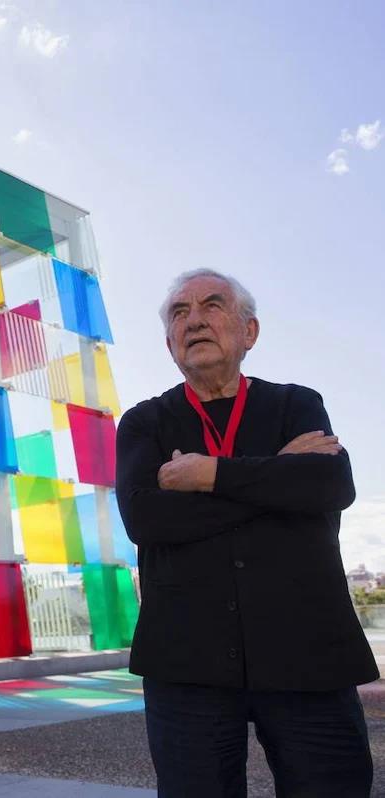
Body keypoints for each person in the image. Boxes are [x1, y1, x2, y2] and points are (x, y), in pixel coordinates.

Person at [115, 268, 378, 797]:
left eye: (212, 306)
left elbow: (330, 484)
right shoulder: (144, 422)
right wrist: (276, 476)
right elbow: (147, 519)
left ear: (249, 331)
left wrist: (209, 475)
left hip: (307, 654)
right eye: (179, 315)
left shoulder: (296, 404)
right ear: (169, 344)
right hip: (186, 661)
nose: (194, 321)